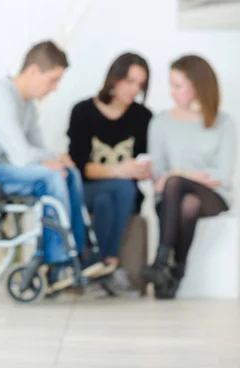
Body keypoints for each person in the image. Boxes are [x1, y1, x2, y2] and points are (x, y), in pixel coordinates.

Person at [0, 40, 107, 274]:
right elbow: (22, 155)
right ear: (33, 71)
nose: (55, 88)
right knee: (51, 177)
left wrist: (58, 159)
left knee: (69, 173)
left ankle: (79, 255)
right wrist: (54, 159)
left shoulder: (27, 105)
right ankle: (58, 263)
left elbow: (37, 148)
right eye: (53, 79)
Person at [142, 55, 236, 299]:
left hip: (214, 196)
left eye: (178, 86)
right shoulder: (161, 122)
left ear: (197, 86)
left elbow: (222, 175)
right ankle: (177, 270)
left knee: (178, 184)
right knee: (186, 202)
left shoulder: (223, 123)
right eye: (171, 85)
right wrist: (175, 176)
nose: (172, 92)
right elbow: (158, 173)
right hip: (171, 198)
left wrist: (179, 173)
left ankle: (161, 261)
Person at [67, 52, 153, 291]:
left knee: (111, 198)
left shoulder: (143, 117)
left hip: (122, 196)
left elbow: (143, 161)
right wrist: (118, 170)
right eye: (129, 81)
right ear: (114, 79)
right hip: (87, 189)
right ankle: (111, 264)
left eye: (140, 84)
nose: (134, 89)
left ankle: (97, 267)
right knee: (119, 187)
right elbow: (80, 167)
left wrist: (142, 170)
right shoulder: (83, 112)